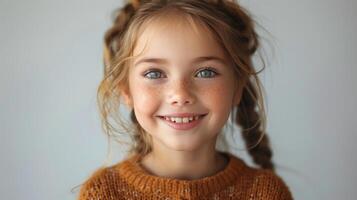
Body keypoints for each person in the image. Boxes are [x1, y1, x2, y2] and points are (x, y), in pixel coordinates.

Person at [77, 0, 293, 199]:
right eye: (154, 74)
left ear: (237, 87)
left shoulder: (267, 193)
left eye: (205, 72)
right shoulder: (103, 193)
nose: (180, 95)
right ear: (127, 91)